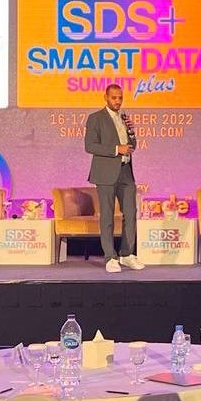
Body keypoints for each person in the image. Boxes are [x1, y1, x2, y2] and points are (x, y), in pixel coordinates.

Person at [84, 84, 145, 273]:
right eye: (114, 98)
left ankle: (127, 254)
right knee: (107, 216)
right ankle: (110, 257)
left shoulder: (124, 118)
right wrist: (117, 149)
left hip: (126, 171)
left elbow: (132, 145)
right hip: (105, 173)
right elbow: (90, 146)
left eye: (120, 98)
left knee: (131, 213)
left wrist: (131, 135)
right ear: (106, 97)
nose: (118, 101)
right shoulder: (95, 118)